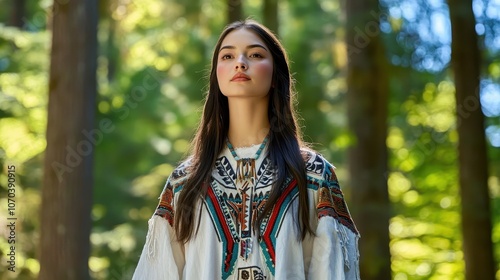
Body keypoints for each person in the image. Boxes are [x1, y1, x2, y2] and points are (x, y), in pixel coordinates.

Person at [132, 19, 360, 280]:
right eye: (227, 55)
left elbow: (331, 270)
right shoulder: (184, 182)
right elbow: (158, 271)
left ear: (276, 75)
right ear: (216, 75)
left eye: (255, 54)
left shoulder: (314, 175)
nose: (240, 62)